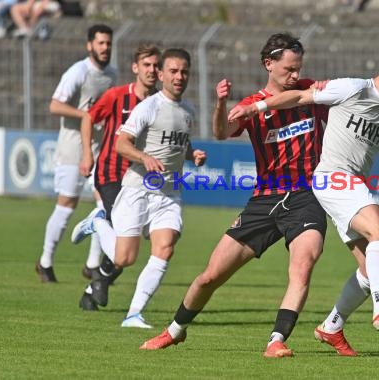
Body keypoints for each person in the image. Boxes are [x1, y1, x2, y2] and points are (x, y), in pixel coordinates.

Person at [227, 50, 379, 356]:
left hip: (348, 184)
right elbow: (301, 98)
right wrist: (258, 106)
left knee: (370, 270)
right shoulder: (352, 88)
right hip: (332, 177)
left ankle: (331, 326)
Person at [140, 33, 329, 358]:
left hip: (305, 196)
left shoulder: (310, 91)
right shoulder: (251, 106)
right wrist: (221, 105)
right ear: (268, 64)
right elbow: (221, 133)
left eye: (298, 68)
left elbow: (327, 97)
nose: (295, 75)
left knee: (303, 264)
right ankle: (174, 331)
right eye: (289, 69)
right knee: (210, 276)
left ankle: (276, 341)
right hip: (265, 200)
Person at [72, 48, 207, 328]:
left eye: (184, 71)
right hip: (137, 190)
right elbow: (122, 143)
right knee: (125, 258)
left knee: (165, 248)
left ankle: (134, 314)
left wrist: (192, 154)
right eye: (173, 71)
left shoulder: (188, 110)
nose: (179, 76)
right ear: (161, 74)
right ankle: (98, 223)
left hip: (168, 193)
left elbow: (180, 143)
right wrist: (144, 157)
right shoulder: (148, 107)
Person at [70, 43, 161, 311]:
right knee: (124, 237)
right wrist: (87, 154)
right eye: (146, 65)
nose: (152, 70)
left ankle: (92, 287)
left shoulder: (161, 102)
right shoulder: (117, 96)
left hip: (140, 180)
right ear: (135, 68)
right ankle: (98, 222)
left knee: (130, 245)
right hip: (110, 174)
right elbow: (88, 118)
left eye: (156, 65)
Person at [35, 24, 116, 283]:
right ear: (89, 45)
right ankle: (45, 261)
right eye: (100, 43)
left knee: (105, 205)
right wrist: (87, 116)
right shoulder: (78, 72)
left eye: (108, 44)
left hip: (99, 149)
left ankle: (92, 264)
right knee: (67, 205)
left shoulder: (112, 74)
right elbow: (54, 104)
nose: (105, 48)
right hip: (72, 148)